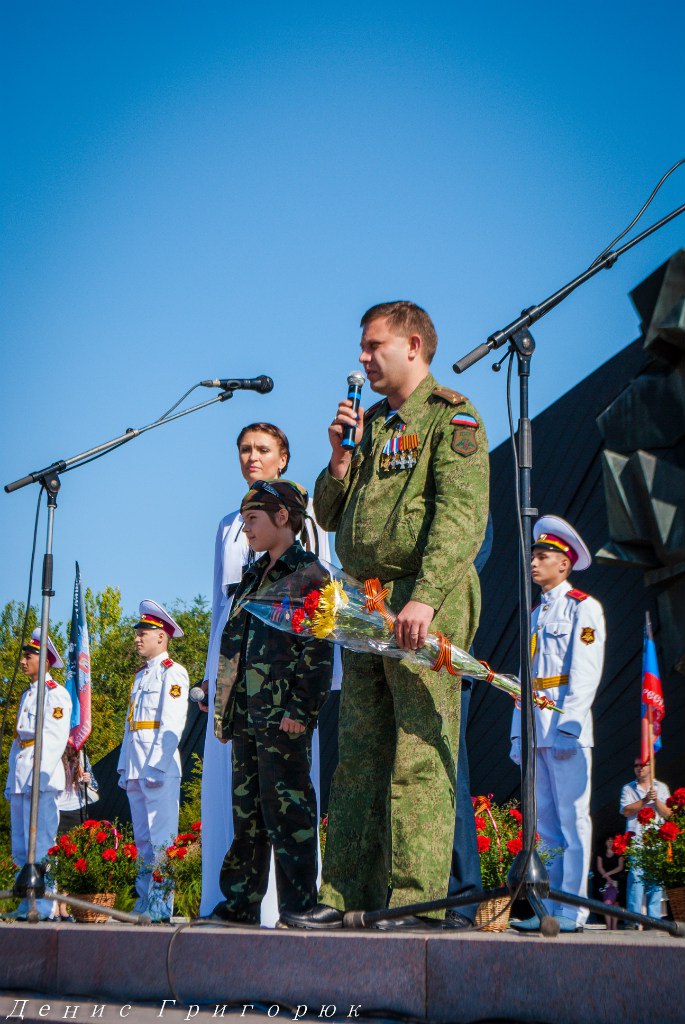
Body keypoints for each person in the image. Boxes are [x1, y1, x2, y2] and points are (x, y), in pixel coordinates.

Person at [283, 300, 489, 931]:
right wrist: (339, 459)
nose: (363, 357)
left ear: (414, 346)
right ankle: (347, 894)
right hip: (365, 603)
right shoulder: (369, 424)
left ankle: (416, 900)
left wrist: (425, 596)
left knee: (418, 753)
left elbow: (461, 516)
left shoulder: (451, 417)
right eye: (363, 346)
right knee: (359, 752)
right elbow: (326, 514)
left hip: (425, 597)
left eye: (375, 345)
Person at [198, 422, 341, 921]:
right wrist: (225, 705)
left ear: (283, 518)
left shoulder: (310, 575)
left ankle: (300, 904)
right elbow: (232, 649)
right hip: (248, 715)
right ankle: (241, 902)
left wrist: (302, 709)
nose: (247, 530)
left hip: (283, 715)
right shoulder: (250, 579)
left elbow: (318, 650)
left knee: (290, 810)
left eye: (253, 519)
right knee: (248, 813)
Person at [510, 515, 606, 933]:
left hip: (565, 730)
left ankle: (573, 909)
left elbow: (585, 672)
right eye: (533, 556)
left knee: (573, 821)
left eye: (543, 556)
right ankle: (547, 908)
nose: (534, 563)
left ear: (564, 564)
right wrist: (518, 733)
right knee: (545, 827)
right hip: (536, 730)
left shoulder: (583, 607)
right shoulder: (535, 613)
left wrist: (570, 726)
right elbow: (525, 680)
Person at [117, 599, 189, 922]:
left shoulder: (173, 673)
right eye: (138, 632)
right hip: (137, 764)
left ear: (161, 637)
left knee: (161, 841)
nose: (137, 638)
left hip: (158, 767)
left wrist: (157, 766)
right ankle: (145, 900)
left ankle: (160, 906)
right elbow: (131, 725)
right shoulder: (140, 676)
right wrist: (124, 766)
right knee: (143, 841)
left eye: (143, 633)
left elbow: (172, 723)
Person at [4, 627, 71, 920]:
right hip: (22, 773)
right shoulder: (27, 694)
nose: (23, 661)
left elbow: (55, 739)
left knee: (42, 843)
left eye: (29, 656)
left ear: (44, 660)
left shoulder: (56, 694)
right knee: (20, 845)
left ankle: (43, 904)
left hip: (40, 777)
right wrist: (12, 779)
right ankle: (26, 901)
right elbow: (18, 741)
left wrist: (39, 777)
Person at [620, 757, 672, 924]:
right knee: (635, 880)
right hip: (637, 842)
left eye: (643, 765)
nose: (640, 768)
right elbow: (625, 811)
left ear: (651, 766)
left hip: (656, 842)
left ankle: (654, 921)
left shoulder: (661, 787)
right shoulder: (628, 788)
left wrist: (655, 800)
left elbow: (668, 814)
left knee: (655, 884)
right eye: (636, 765)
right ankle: (633, 920)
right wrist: (644, 801)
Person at [596, 835, 624, 930]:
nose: (610, 843)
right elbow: (599, 867)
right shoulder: (601, 854)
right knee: (607, 902)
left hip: (617, 882)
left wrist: (608, 874)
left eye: (612, 841)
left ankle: (614, 926)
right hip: (605, 882)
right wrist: (607, 877)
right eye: (608, 841)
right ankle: (609, 926)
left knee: (615, 904)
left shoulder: (618, 853)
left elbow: (620, 867)